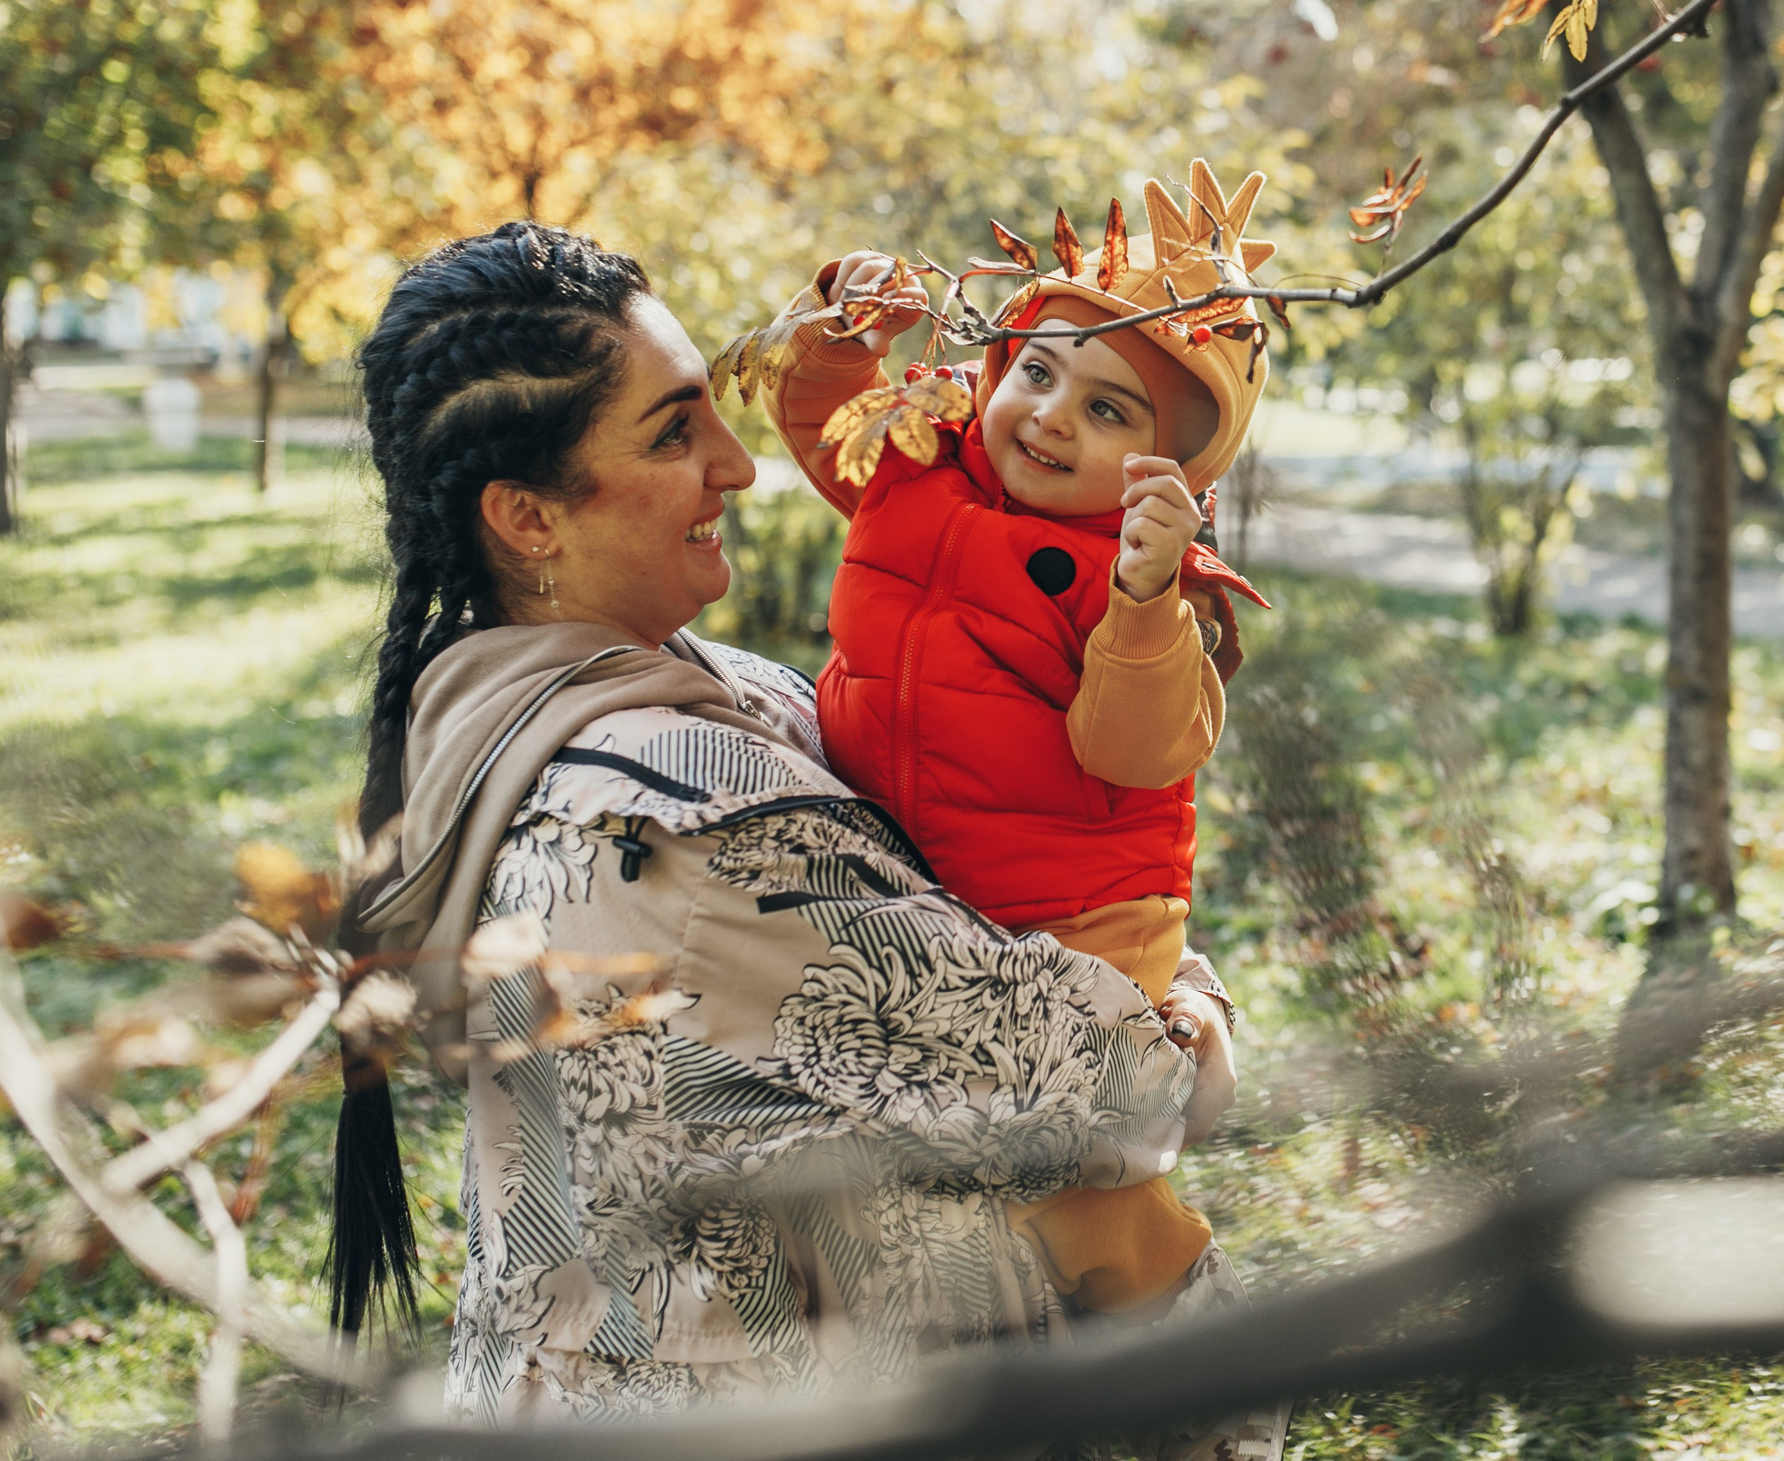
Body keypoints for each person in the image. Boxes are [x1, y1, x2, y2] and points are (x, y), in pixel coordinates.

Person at [324, 221, 1251, 1428]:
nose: (740, 463)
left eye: (713, 406)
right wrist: (1193, 1003)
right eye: (672, 431)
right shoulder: (684, 822)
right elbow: (1116, 1098)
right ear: (528, 518)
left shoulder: (533, 698)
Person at [730, 160, 1272, 1322]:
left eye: (1109, 410)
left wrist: (1144, 597)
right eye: (1038, 371)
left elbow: (1136, 749)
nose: (1051, 416)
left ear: (1169, 473)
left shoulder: (1143, 588)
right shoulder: (920, 468)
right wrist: (845, 329)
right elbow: (831, 424)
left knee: (1076, 1183)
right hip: (913, 887)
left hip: (1074, 926)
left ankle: (1186, 1347)